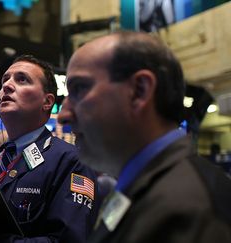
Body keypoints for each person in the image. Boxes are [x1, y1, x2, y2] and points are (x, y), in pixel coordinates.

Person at [58, 31, 231, 243]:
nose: (64, 116)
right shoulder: (152, 186)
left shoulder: (189, 209)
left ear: (139, 91)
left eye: (79, 89)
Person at [0, 55, 102, 242]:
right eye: (5, 79)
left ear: (47, 102)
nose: (7, 85)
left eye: (22, 79)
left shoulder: (71, 161)